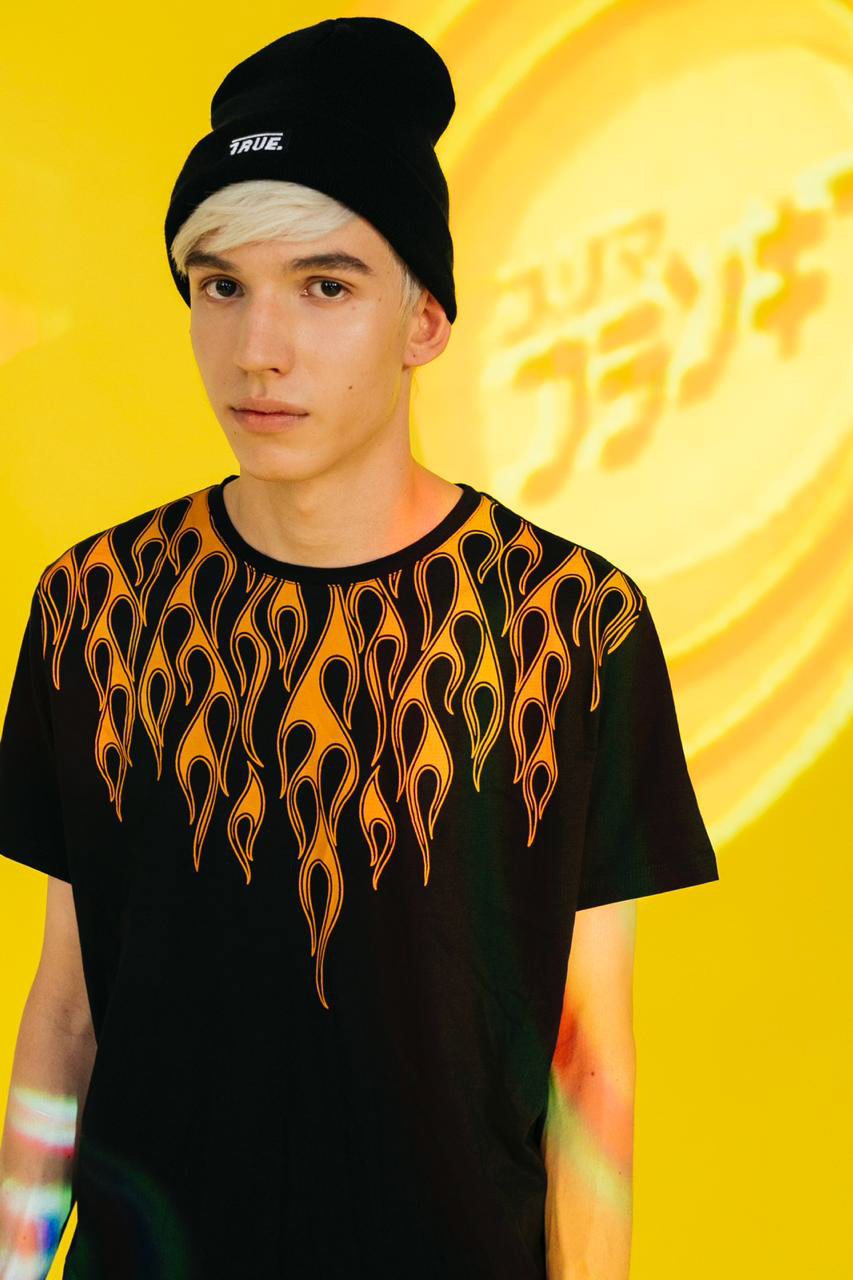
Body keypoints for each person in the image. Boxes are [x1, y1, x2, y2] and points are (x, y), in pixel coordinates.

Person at [0, 16, 719, 1280]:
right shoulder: (96, 605)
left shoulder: (569, 621)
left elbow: (588, 1052)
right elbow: (67, 1007)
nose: (257, 349)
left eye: (324, 286)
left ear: (424, 319)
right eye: (221, 285)